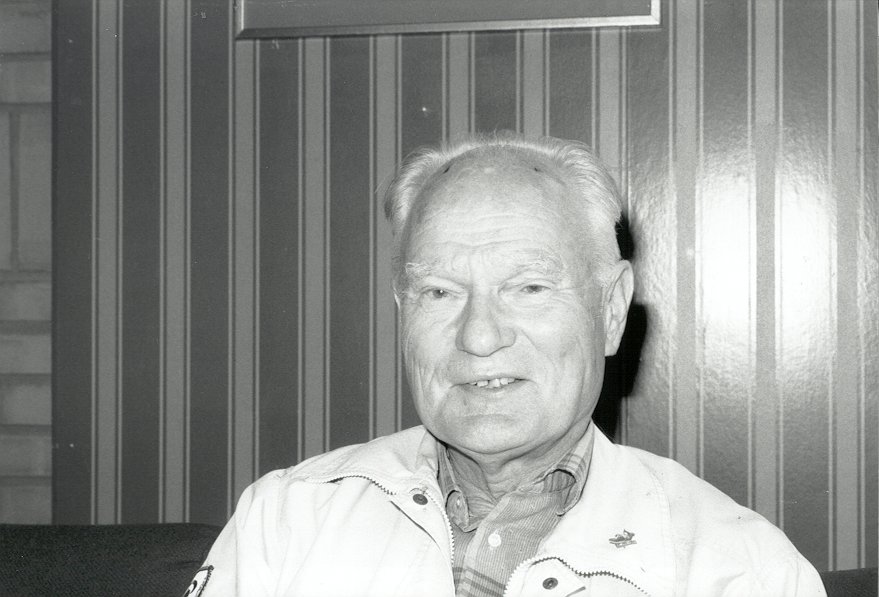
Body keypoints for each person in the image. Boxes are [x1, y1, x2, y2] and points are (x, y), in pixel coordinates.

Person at [189, 132, 825, 596]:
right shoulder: (284, 523)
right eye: (440, 292)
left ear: (611, 310)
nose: (479, 336)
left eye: (529, 287)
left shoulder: (741, 570)